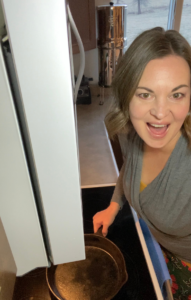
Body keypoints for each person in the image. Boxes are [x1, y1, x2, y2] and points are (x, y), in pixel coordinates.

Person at [93, 27, 191, 299]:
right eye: (145, 94)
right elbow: (130, 168)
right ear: (126, 95)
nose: (160, 113)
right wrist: (114, 205)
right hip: (161, 251)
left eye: (177, 94)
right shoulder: (130, 130)